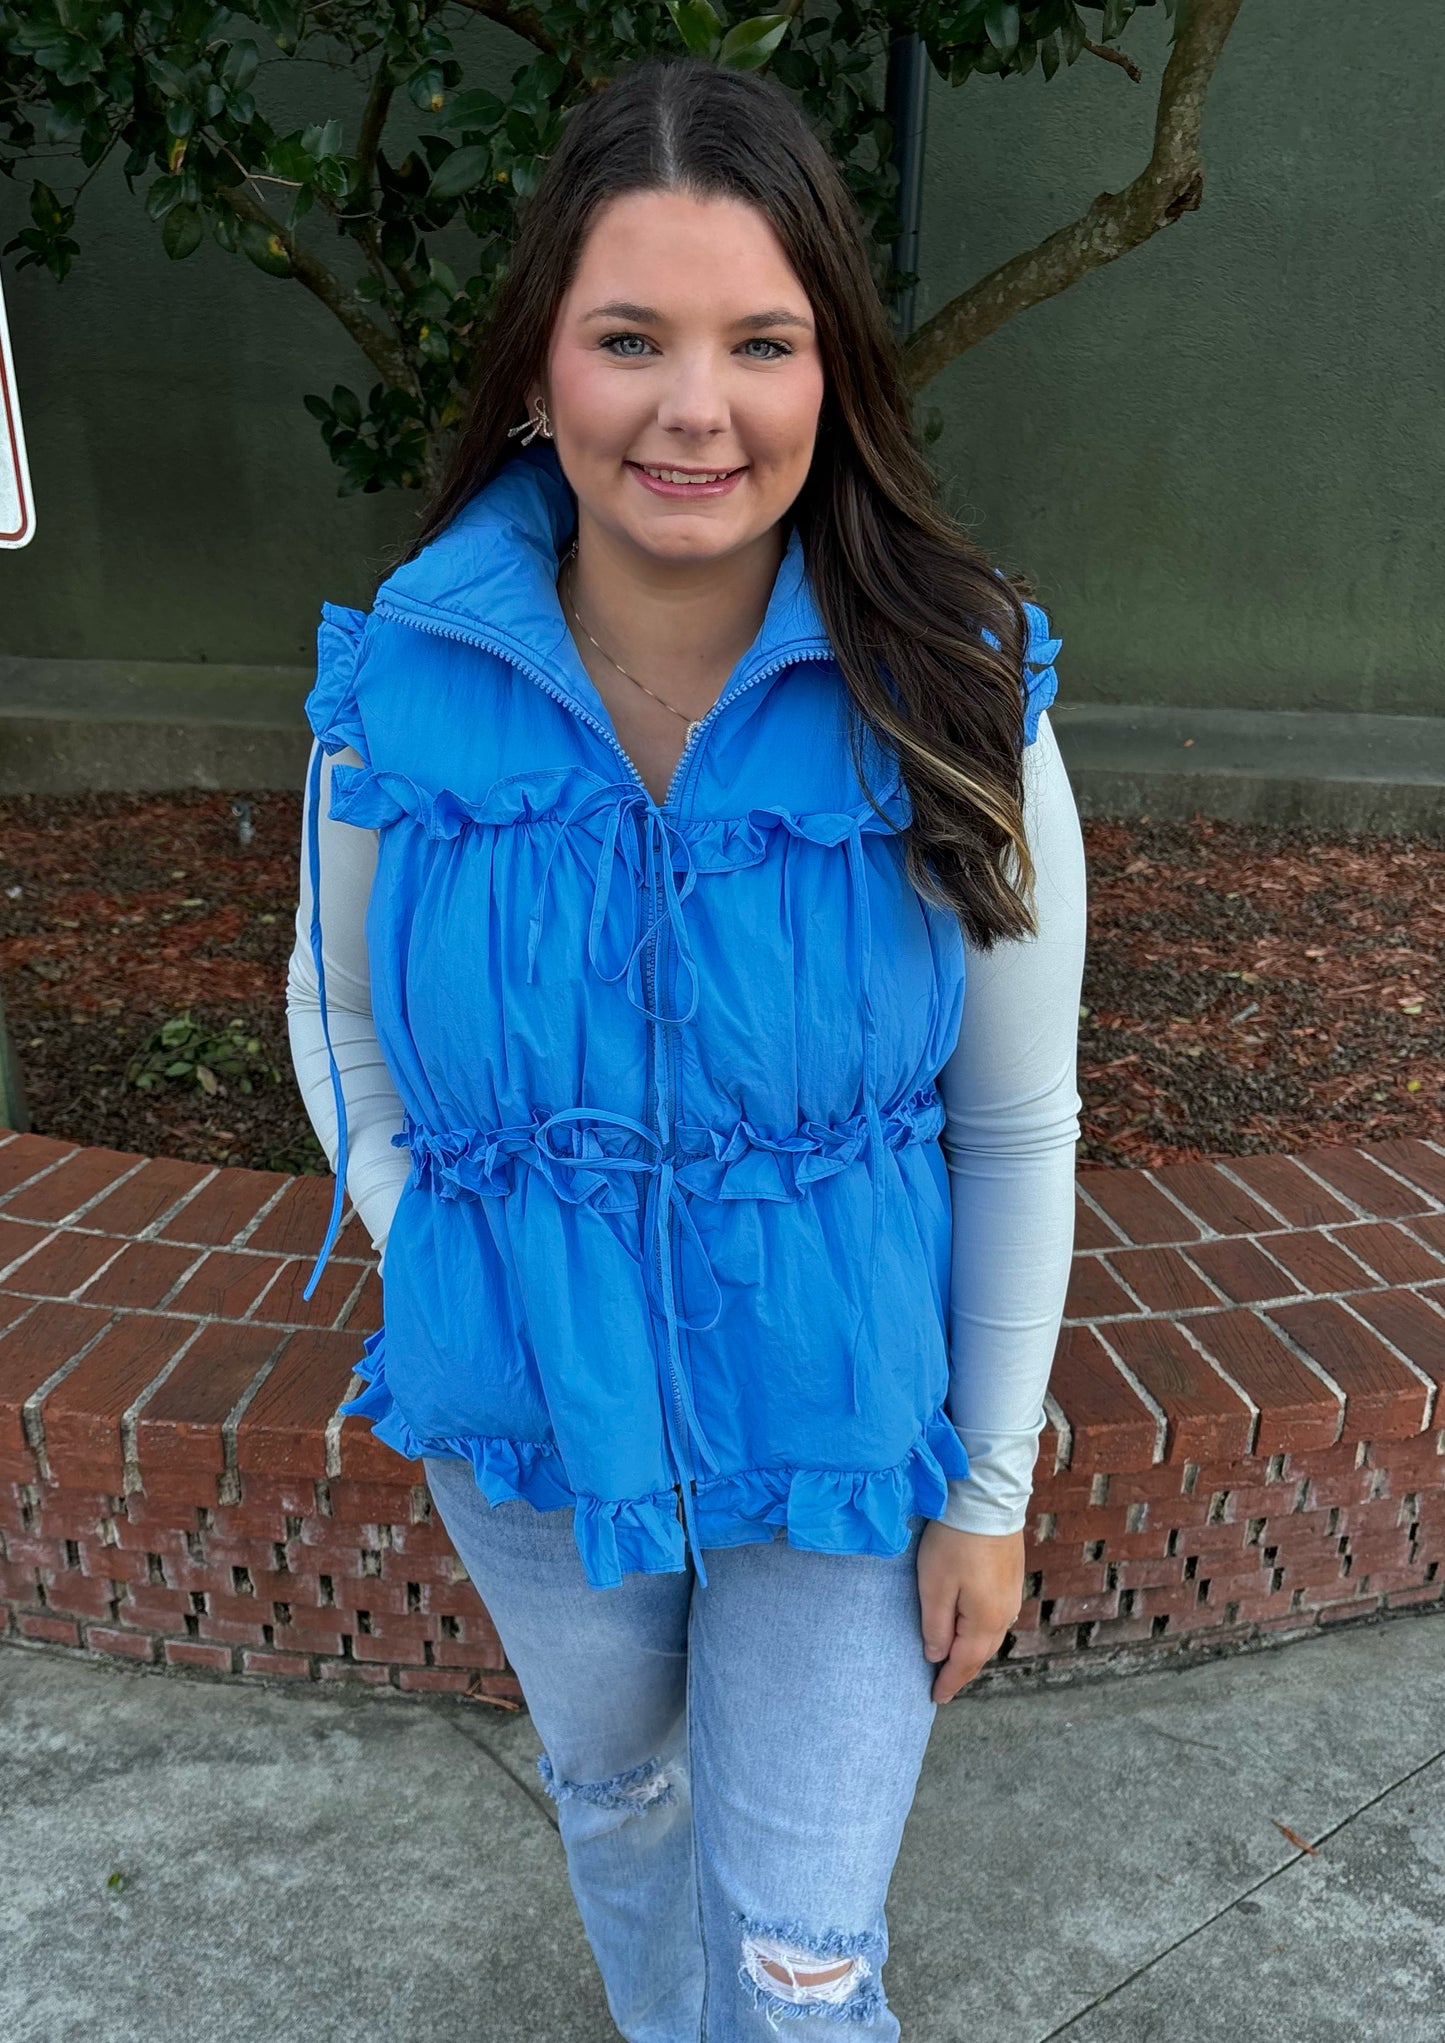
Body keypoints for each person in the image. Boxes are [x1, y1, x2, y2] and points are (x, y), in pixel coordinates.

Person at [286, 51, 1085, 2041]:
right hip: (534, 1406)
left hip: (837, 1415)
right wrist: (429, 1232)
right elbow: (333, 1009)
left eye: (762, 340)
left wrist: (988, 1483)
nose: (694, 407)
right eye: (630, 335)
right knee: (621, 1792)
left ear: (835, 373)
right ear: (546, 363)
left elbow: (1017, 1119)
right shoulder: (409, 670)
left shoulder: (957, 690)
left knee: (808, 1956)